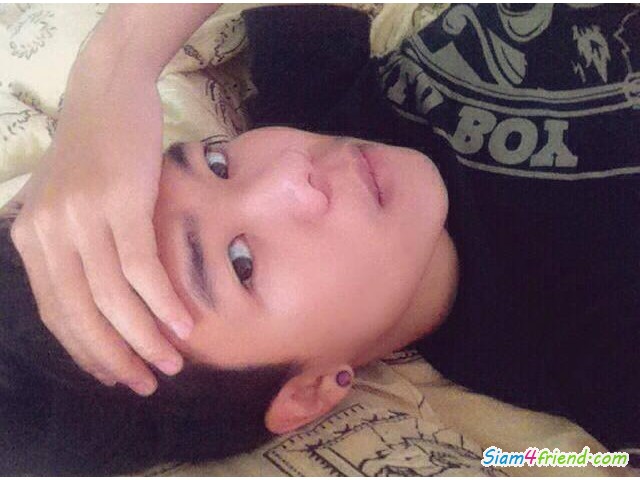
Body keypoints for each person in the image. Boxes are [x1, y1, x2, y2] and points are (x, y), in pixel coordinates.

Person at [6, 1, 639, 461]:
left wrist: (112, 75)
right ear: (309, 393)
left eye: (217, 163)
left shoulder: (315, 101)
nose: (288, 171)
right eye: (241, 263)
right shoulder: (597, 347)